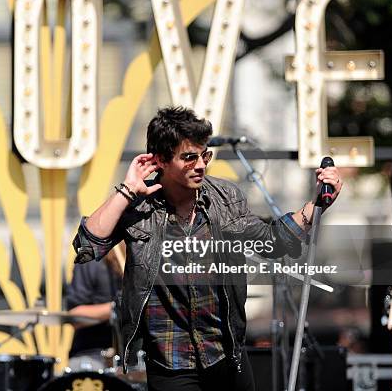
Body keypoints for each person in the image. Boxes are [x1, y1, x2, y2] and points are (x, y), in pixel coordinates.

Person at [72, 106, 343, 391]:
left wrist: (317, 206)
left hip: (226, 356)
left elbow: (271, 242)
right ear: (161, 160)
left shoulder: (225, 198)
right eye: (189, 158)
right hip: (170, 362)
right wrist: (127, 190)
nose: (201, 165)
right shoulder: (139, 206)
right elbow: (88, 245)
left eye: (205, 155)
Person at [65, 248, 124, 371]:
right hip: (93, 354)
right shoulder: (91, 258)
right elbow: (75, 315)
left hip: (135, 356)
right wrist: (116, 308)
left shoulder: (146, 257)